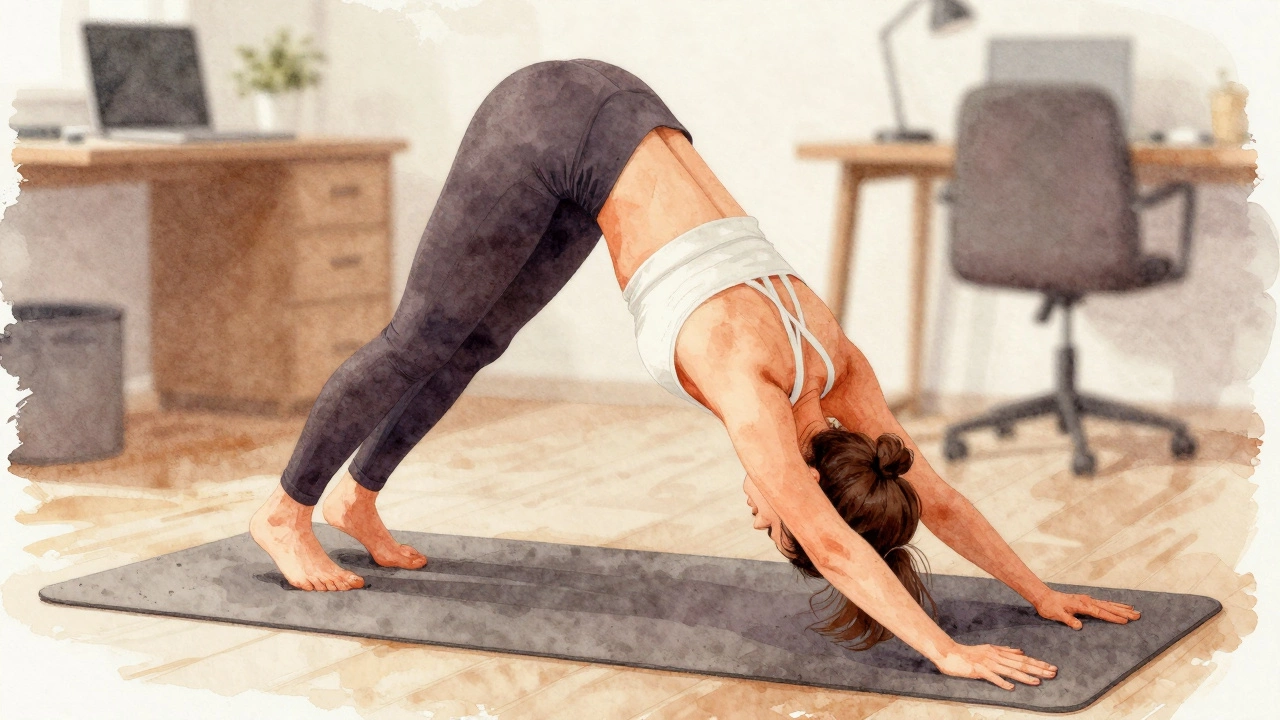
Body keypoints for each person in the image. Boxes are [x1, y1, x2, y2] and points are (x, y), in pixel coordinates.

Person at [251, 59, 1140, 690]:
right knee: (422, 334)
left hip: (620, 114)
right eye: (775, 524)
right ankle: (286, 512)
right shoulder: (753, 391)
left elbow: (933, 499)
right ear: (791, 493)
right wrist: (943, 650)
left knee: (479, 343)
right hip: (548, 120)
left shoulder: (836, 369)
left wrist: (1040, 592)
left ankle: (358, 496)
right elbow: (834, 542)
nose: (763, 516)